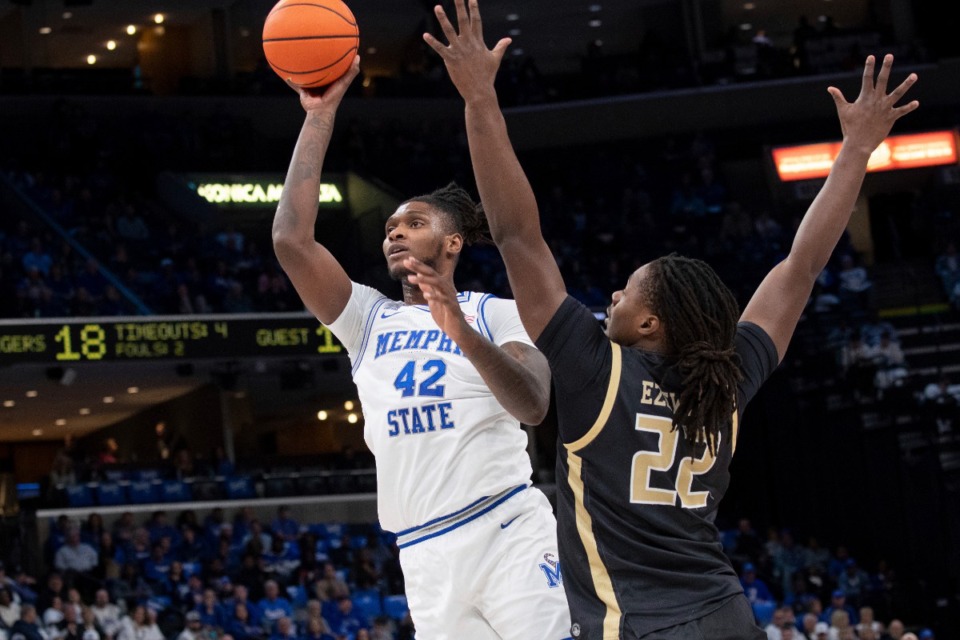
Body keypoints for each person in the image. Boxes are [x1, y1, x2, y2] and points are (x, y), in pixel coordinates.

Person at [421, 1, 919, 634]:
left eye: (627, 295)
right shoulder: (726, 382)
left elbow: (517, 233)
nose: (612, 301)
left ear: (652, 323)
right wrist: (856, 151)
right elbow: (800, 267)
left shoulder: (592, 368)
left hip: (638, 625)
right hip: (726, 614)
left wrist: (478, 100)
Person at [272, 25, 570, 640]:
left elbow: (535, 404)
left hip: (507, 528)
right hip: (424, 551)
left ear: (453, 242)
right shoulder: (368, 319)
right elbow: (290, 242)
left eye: (412, 222)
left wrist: (458, 328)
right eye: (388, 227)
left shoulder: (494, 312)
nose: (395, 232)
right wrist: (320, 115)